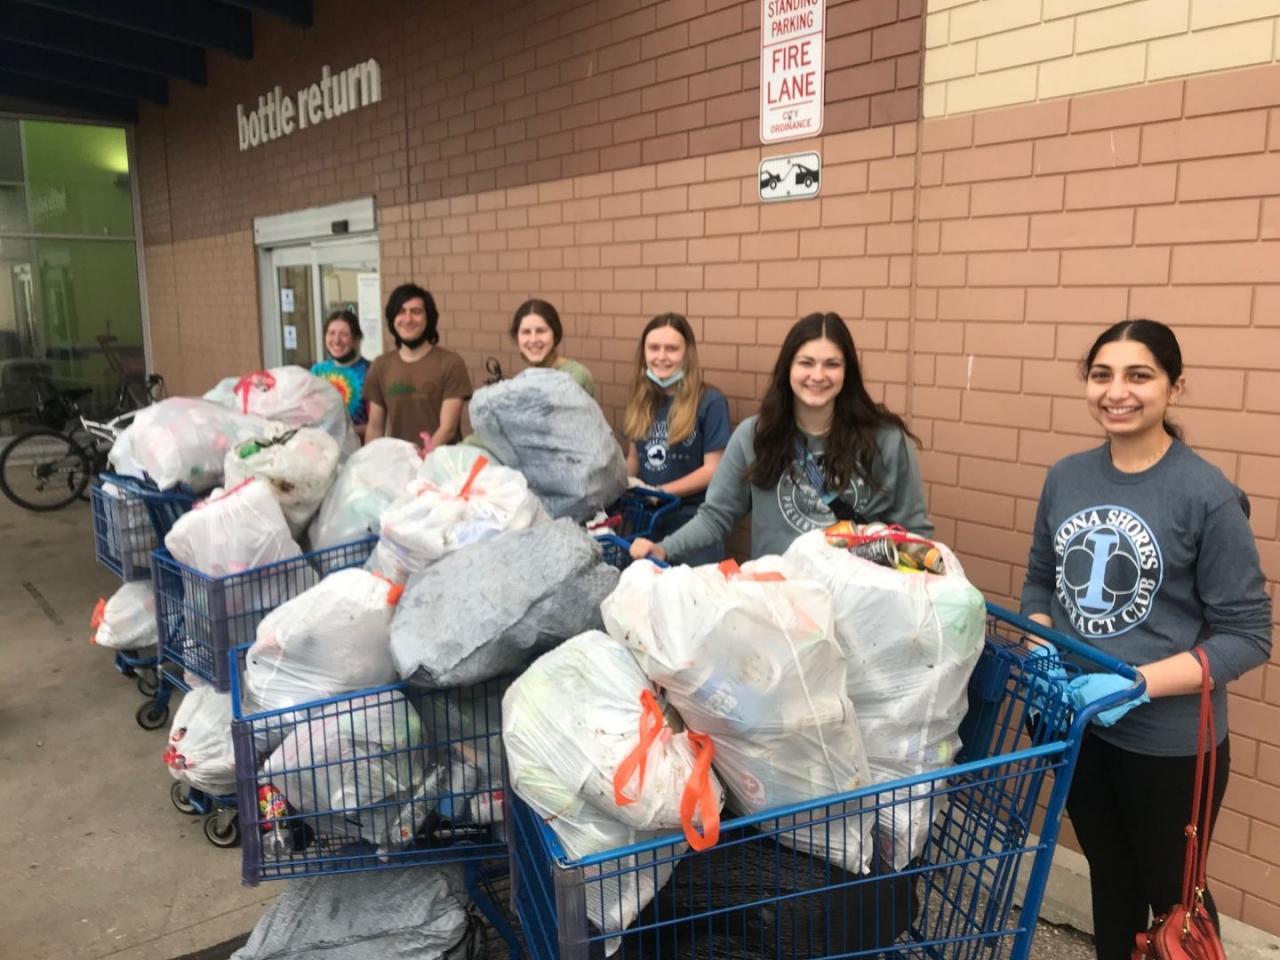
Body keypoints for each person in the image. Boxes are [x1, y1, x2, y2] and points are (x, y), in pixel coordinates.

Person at [1019, 319, 1271, 960]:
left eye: (1139, 375)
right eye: (1102, 375)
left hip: (1168, 747)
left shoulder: (1207, 495)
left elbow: (1248, 636)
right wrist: (1042, 647)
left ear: (1174, 387)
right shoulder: (1067, 477)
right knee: (1110, 880)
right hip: (1081, 727)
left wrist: (1135, 684)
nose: (1117, 392)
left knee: (1175, 906)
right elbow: (1042, 581)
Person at [631, 312, 931, 564]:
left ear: (847, 371)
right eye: (806, 362)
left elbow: (914, 532)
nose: (818, 375)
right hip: (778, 602)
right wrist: (664, 548)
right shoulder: (754, 437)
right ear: (788, 368)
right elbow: (715, 517)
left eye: (832, 364)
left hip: (856, 604)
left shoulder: (886, 441)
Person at [622, 313, 731, 565]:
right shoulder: (640, 400)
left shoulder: (710, 401)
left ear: (687, 354)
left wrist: (661, 492)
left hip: (693, 524)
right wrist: (618, 486)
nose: (661, 356)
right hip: (646, 522)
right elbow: (634, 459)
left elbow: (713, 469)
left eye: (671, 349)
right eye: (654, 348)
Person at [363, 283, 472, 449]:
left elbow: (448, 429)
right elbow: (375, 428)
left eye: (416, 311)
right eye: (401, 312)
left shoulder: (451, 363)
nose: (408, 319)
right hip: (399, 460)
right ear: (393, 319)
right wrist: (369, 459)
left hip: (442, 460)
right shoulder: (380, 366)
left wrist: (423, 455)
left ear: (429, 318)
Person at [511, 299, 596, 397]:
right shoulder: (526, 378)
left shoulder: (575, 377)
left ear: (555, 334)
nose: (533, 340)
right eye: (526, 332)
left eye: (541, 331)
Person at [310, 309, 371, 438]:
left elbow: (377, 424)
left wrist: (343, 431)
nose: (336, 340)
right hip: (321, 447)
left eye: (344, 334)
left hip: (359, 448)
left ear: (356, 339)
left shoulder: (370, 372)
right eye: (331, 333)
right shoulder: (317, 372)